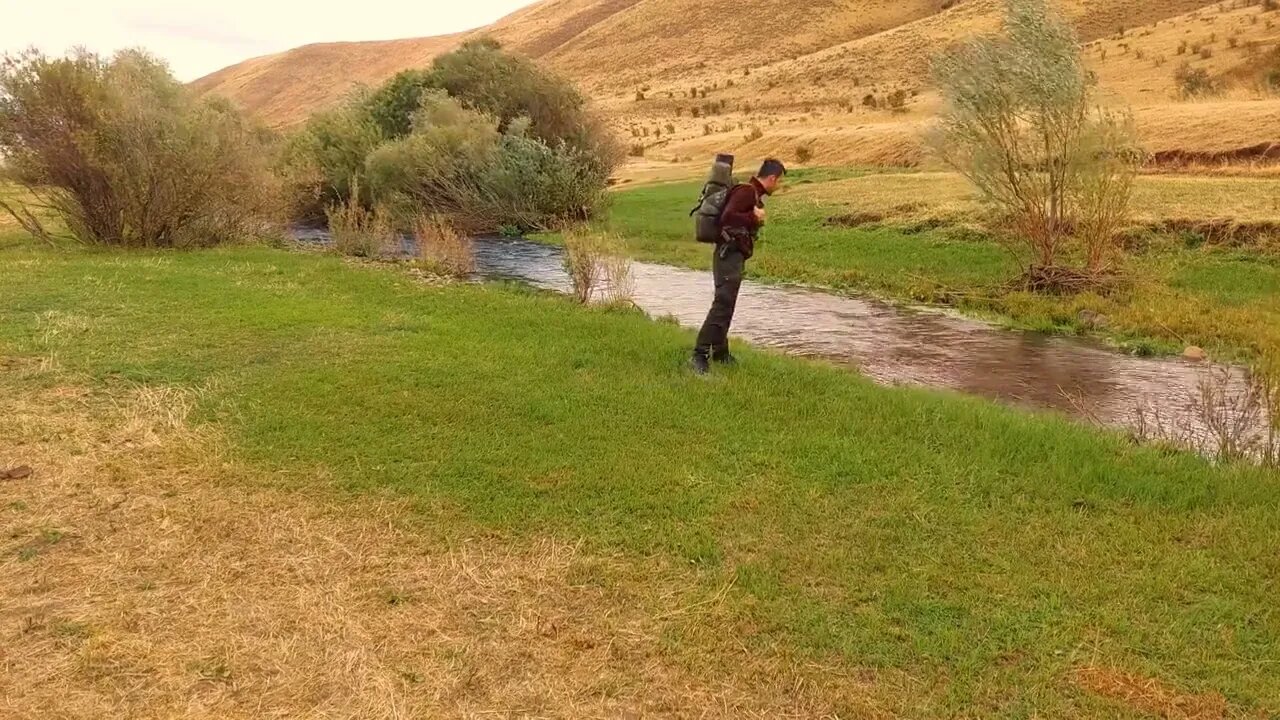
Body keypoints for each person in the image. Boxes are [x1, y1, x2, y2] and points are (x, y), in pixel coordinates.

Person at [690, 158, 786, 374]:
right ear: (772, 178)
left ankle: (721, 354)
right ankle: (699, 355)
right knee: (722, 305)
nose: (777, 186)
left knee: (727, 304)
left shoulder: (751, 193)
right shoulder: (746, 192)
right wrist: (754, 217)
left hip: (732, 256)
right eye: (778, 181)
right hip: (728, 256)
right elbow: (728, 217)